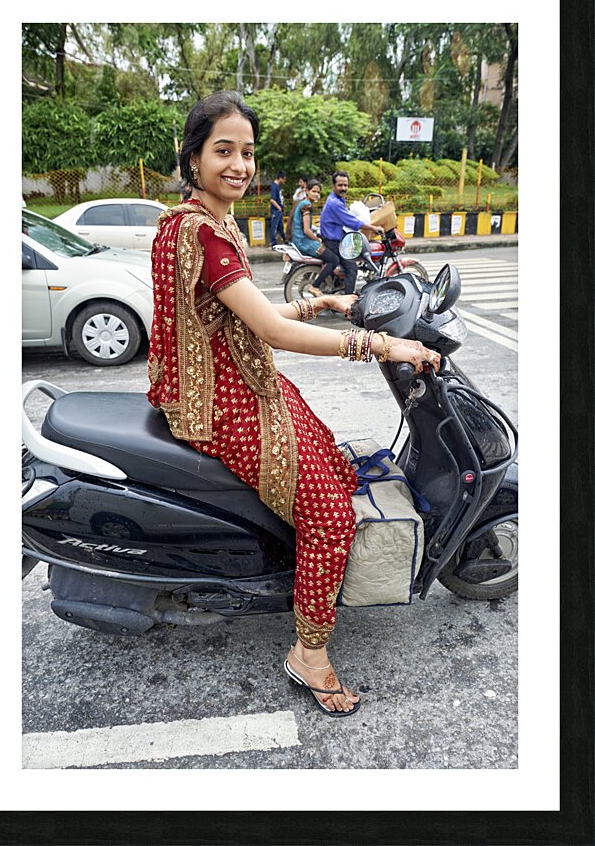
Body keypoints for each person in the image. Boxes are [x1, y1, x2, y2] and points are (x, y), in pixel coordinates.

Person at [147, 91, 440, 716]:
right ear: (193, 157)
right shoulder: (207, 232)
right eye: (222, 150)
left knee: (332, 455)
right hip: (217, 402)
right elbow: (272, 334)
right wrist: (382, 343)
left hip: (236, 379)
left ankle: (291, 570)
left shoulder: (198, 222)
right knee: (332, 514)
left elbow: (241, 314)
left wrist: (316, 303)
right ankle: (308, 654)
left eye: (247, 152)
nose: (238, 164)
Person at [319, 171, 384, 295]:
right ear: (334, 186)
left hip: (334, 236)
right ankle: (348, 302)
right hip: (333, 241)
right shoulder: (335, 203)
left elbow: (347, 216)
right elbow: (352, 222)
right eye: (340, 185)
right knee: (352, 268)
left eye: (345, 185)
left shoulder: (336, 198)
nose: (343, 188)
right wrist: (373, 228)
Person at [285, 179, 339, 297]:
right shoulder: (307, 206)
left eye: (318, 192)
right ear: (307, 191)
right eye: (314, 191)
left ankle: (323, 278)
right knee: (334, 259)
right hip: (304, 242)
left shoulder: (301, 203)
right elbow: (306, 230)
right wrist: (317, 239)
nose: (316, 194)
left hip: (299, 240)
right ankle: (315, 286)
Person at [269, 170, 287, 246]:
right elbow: (272, 200)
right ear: (280, 178)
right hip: (276, 210)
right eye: (284, 179)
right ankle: (274, 243)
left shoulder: (278, 187)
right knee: (274, 227)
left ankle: (286, 240)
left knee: (280, 226)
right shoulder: (274, 186)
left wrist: (282, 205)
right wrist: (279, 207)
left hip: (279, 210)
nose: (284, 181)